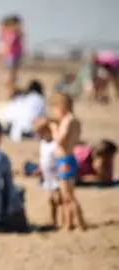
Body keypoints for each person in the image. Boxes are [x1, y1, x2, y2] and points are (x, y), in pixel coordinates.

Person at [49, 92, 86, 231]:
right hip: (68, 158)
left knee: (68, 195)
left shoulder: (68, 120)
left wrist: (54, 129)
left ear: (61, 107)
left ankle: (80, 223)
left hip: (65, 160)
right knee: (67, 194)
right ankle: (68, 223)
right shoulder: (75, 121)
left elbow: (60, 140)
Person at [33, 117, 62, 228]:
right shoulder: (43, 143)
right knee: (51, 200)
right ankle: (53, 220)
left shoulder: (55, 144)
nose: (39, 135)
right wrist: (40, 168)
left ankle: (63, 220)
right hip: (47, 176)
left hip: (56, 175)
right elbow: (43, 158)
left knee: (59, 198)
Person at [3, 15, 24, 88]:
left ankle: (12, 81)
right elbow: (8, 43)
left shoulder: (16, 32)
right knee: (11, 68)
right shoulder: (9, 32)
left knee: (14, 68)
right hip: (11, 53)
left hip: (15, 52)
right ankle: (10, 81)